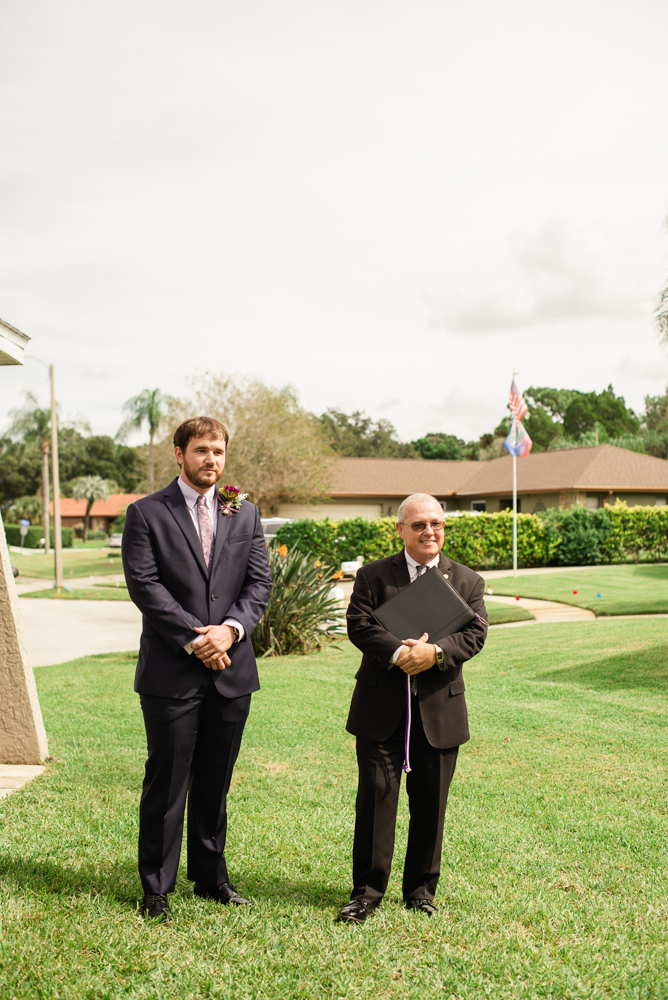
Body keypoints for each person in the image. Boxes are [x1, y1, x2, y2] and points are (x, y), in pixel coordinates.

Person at [122, 416, 272, 922]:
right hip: (172, 673)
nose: (212, 459)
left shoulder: (244, 513)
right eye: (202, 450)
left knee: (215, 779)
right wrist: (194, 637)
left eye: (219, 451)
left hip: (232, 669)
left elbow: (258, 586)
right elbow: (145, 586)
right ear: (179, 454)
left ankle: (210, 879)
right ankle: (156, 888)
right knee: (167, 781)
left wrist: (228, 631)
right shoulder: (146, 513)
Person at [337, 492, 487, 923]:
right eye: (419, 525)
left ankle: (421, 890)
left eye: (436, 524)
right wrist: (401, 654)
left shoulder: (467, 581)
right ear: (399, 529)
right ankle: (365, 892)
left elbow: (475, 634)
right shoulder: (372, 576)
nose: (429, 532)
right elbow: (359, 625)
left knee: (431, 804)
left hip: (440, 711)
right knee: (376, 800)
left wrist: (436, 654)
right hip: (380, 708)